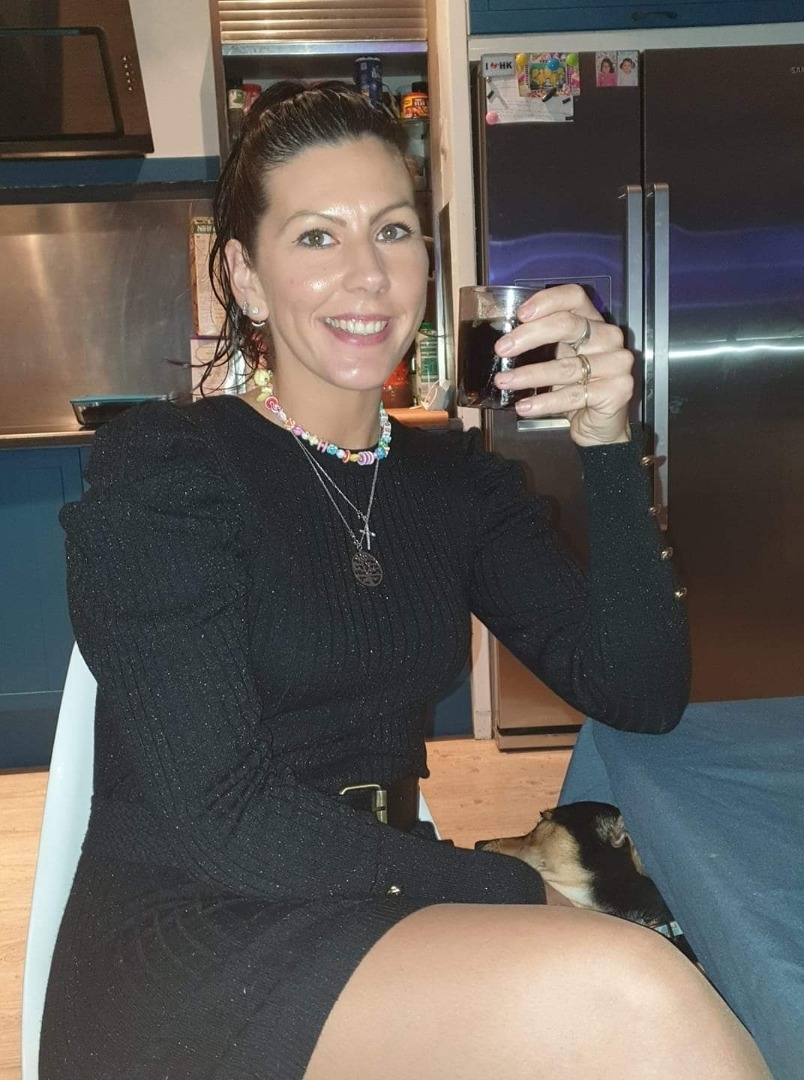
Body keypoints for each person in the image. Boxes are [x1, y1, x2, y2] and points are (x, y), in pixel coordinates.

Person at [40, 81, 770, 1079]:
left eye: (392, 231)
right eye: (316, 237)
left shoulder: (451, 483)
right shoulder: (171, 471)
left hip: (373, 894)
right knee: (633, 991)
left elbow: (640, 692)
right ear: (247, 280)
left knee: (654, 978)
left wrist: (607, 445)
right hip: (197, 941)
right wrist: (514, 888)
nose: (367, 274)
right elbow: (221, 819)